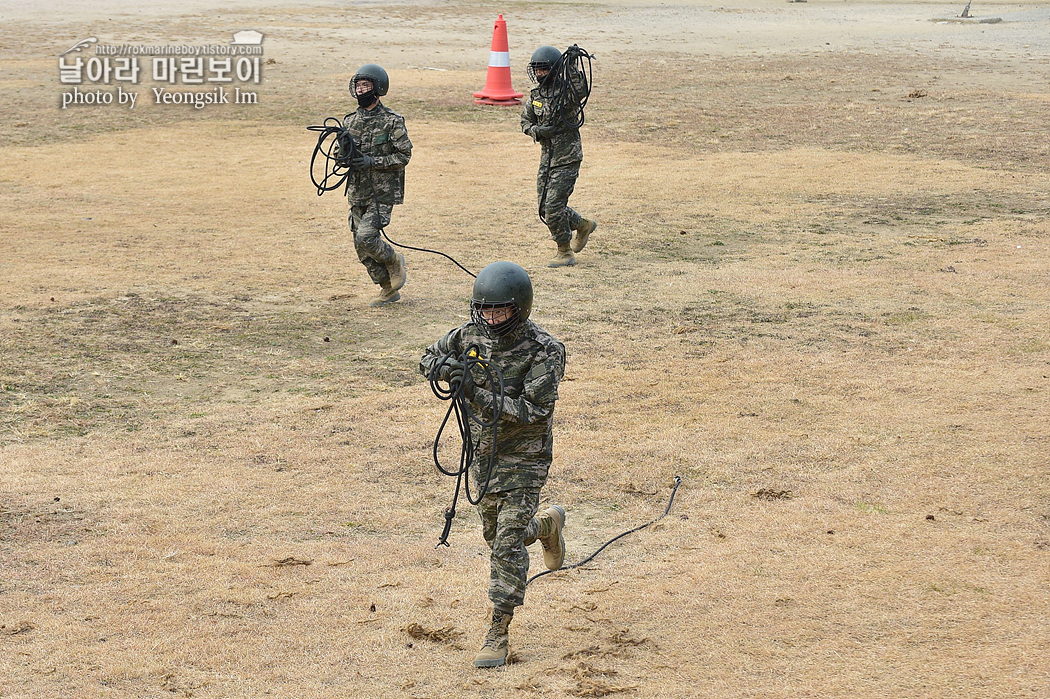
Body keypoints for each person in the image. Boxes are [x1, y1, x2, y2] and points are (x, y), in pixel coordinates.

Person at [419, 261, 568, 668]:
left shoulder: (546, 350)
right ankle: (546, 527)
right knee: (499, 535)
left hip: (525, 457)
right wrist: (444, 367)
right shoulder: (468, 336)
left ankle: (497, 632)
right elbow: (426, 357)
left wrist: (475, 391)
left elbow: (533, 411)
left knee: (505, 546)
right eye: (484, 309)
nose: (491, 318)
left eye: (499, 311)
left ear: (519, 308)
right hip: (483, 456)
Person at [336, 63, 412, 306]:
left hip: (382, 193)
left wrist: (372, 161)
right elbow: (339, 155)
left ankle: (393, 261)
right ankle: (387, 288)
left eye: (366, 86)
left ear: (378, 89)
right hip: (357, 192)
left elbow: (403, 156)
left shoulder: (392, 121)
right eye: (358, 86)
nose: (361, 90)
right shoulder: (349, 122)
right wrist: (344, 155)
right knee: (361, 249)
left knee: (367, 237)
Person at [521, 46, 597, 268]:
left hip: (567, 158)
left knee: (554, 206)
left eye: (543, 69)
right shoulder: (536, 96)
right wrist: (537, 131)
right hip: (548, 160)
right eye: (536, 70)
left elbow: (580, 90)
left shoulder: (567, 93)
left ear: (553, 70)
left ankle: (564, 252)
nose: (539, 74)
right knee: (545, 207)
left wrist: (572, 66)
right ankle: (582, 224)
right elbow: (525, 121)